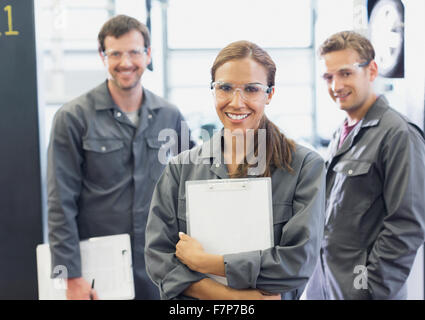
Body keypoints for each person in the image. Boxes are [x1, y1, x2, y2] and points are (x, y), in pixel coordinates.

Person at [144, 40, 326, 300]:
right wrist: (238, 299)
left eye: (252, 89)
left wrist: (206, 262)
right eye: (225, 88)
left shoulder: (305, 167)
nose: (237, 102)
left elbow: (297, 263)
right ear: (213, 90)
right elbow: (159, 259)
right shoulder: (180, 169)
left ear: (269, 94)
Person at [47, 14, 193, 300]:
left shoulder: (171, 116)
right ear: (103, 56)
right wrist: (71, 276)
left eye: (134, 52)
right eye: (115, 53)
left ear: (148, 54)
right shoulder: (73, 118)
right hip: (99, 267)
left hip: (160, 264)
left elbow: (192, 186)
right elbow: (59, 203)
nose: (126, 62)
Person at [306, 31, 425, 300]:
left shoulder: (398, 134)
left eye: (345, 73)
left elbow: (406, 226)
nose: (336, 85)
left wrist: (369, 289)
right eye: (328, 77)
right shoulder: (342, 132)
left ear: (371, 70)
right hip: (326, 286)